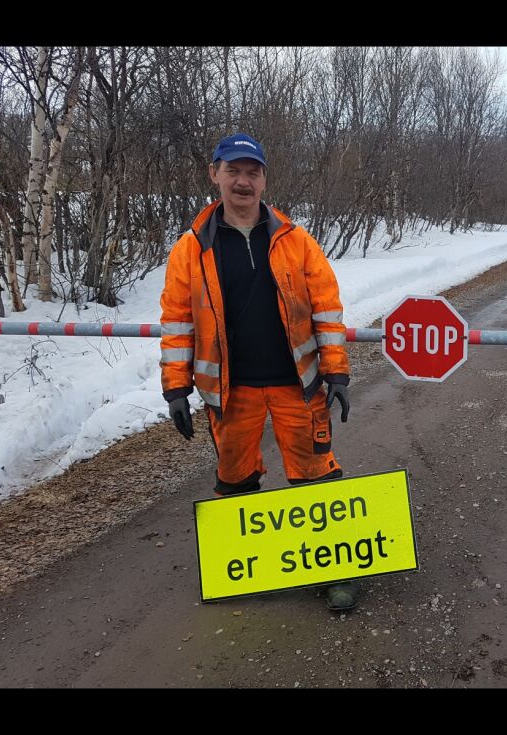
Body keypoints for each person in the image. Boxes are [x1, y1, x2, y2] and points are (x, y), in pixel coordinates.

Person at [159, 132, 357, 610]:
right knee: (235, 478)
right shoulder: (190, 248)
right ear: (215, 174)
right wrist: (175, 389)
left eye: (252, 172)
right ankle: (243, 568)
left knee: (314, 474)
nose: (243, 182)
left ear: (265, 178)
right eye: (233, 170)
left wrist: (336, 372)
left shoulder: (296, 241)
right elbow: (178, 322)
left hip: (298, 386)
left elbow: (326, 310)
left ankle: (335, 571)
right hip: (232, 391)